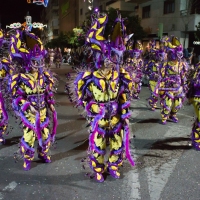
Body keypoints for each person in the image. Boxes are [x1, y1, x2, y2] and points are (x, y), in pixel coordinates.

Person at [66, 10, 134, 182]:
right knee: (99, 145)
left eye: (113, 59)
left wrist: (124, 113)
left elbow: (124, 95)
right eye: (107, 58)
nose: (110, 62)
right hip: (100, 117)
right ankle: (98, 168)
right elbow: (81, 98)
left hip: (116, 116)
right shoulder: (89, 77)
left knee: (118, 143)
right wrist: (91, 107)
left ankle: (114, 165)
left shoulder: (120, 75)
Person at [9, 30, 57, 170]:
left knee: (45, 135)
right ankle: (28, 158)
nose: (38, 65)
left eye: (40, 62)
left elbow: (48, 93)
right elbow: (18, 97)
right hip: (30, 114)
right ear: (30, 63)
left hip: (42, 113)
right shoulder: (22, 78)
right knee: (29, 137)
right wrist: (28, 107)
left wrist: (51, 105)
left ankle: (43, 154)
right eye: (35, 63)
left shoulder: (45, 77)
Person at [159, 36, 188, 124]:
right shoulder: (166, 64)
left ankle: (173, 115)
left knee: (177, 104)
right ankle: (164, 116)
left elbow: (183, 75)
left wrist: (185, 84)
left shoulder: (182, 64)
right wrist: (163, 83)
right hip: (169, 86)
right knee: (168, 103)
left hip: (178, 86)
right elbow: (162, 75)